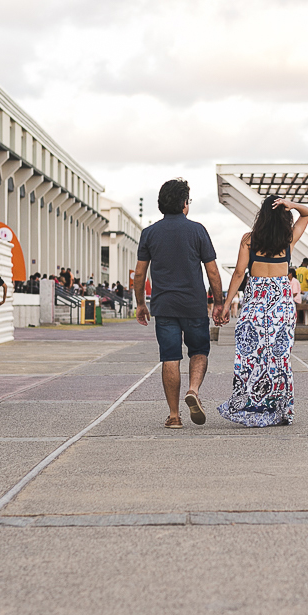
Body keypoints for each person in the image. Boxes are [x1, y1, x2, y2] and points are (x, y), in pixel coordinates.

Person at [134, 178, 224, 429]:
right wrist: (219, 303)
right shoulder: (197, 230)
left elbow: (140, 273)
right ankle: (193, 391)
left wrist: (141, 303)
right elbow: (213, 271)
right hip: (194, 305)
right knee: (199, 352)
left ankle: (174, 416)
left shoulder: (149, 233)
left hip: (164, 307)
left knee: (170, 357)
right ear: (185, 203)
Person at [215, 195, 308, 426]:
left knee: (250, 357)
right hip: (281, 306)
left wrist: (226, 305)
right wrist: (293, 205)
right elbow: (307, 213)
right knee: (279, 357)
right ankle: (280, 409)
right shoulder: (288, 239)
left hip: (256, 304)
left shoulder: (249, 239)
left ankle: (250, 405)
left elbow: (239, 274)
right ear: (284, 214)